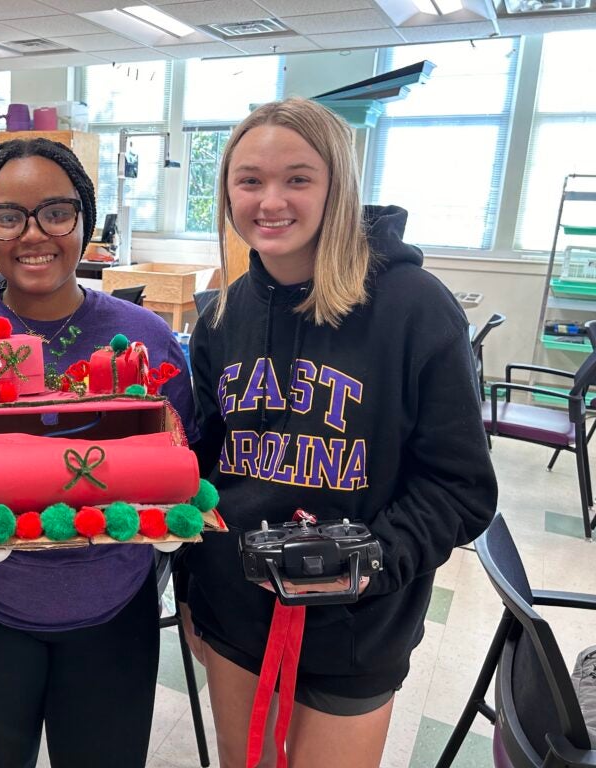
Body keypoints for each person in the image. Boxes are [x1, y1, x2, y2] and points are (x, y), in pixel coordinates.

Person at [182, 97, 498, 768]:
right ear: (227, 192)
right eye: (249, 180)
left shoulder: (414, 307)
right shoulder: (222, 317)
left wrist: (365, 563)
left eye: (298, 178)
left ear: (338, 186)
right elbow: (202, 473)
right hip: (236, 609)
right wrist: (190, 586)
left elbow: (461, 488)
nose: (271, 200)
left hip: (360, 622)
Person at [0, 137, 195, 768]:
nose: (34, 234)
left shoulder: (147, 340)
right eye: (8, 216)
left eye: (56, 212)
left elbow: (180, 467)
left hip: (114, 615)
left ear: (85, 217)